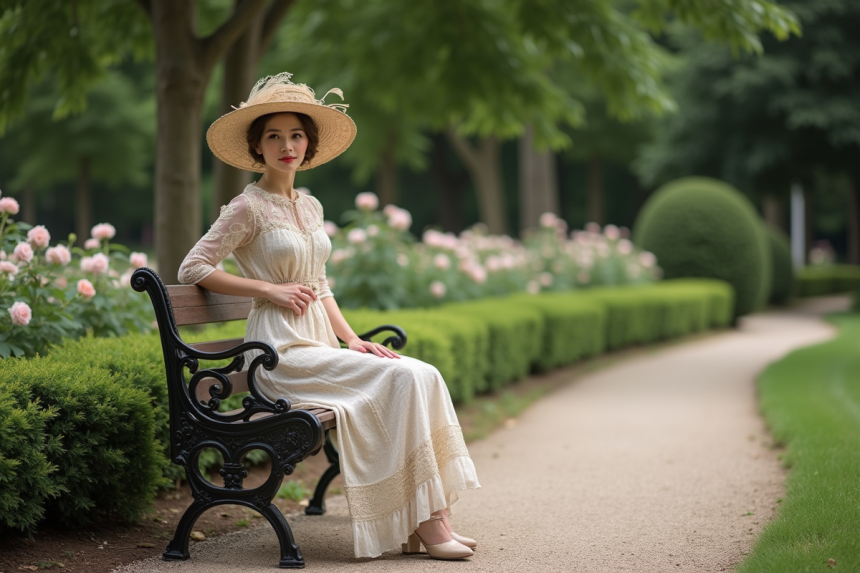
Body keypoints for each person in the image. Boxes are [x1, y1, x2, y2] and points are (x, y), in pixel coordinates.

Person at [178, 73, 480, 560]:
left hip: (319, 344)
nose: (286, 145)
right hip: (276, 356)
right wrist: (266, 288)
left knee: (421, 373)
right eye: (273, 136)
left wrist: (352, 339)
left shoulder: (311, 205)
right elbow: (193, 265)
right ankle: (425, 526)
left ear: (308, 144)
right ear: (257, 146)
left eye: (296, 135)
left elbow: (320, 286)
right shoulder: (246, 207)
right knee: (403, 380)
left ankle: (433, 516)